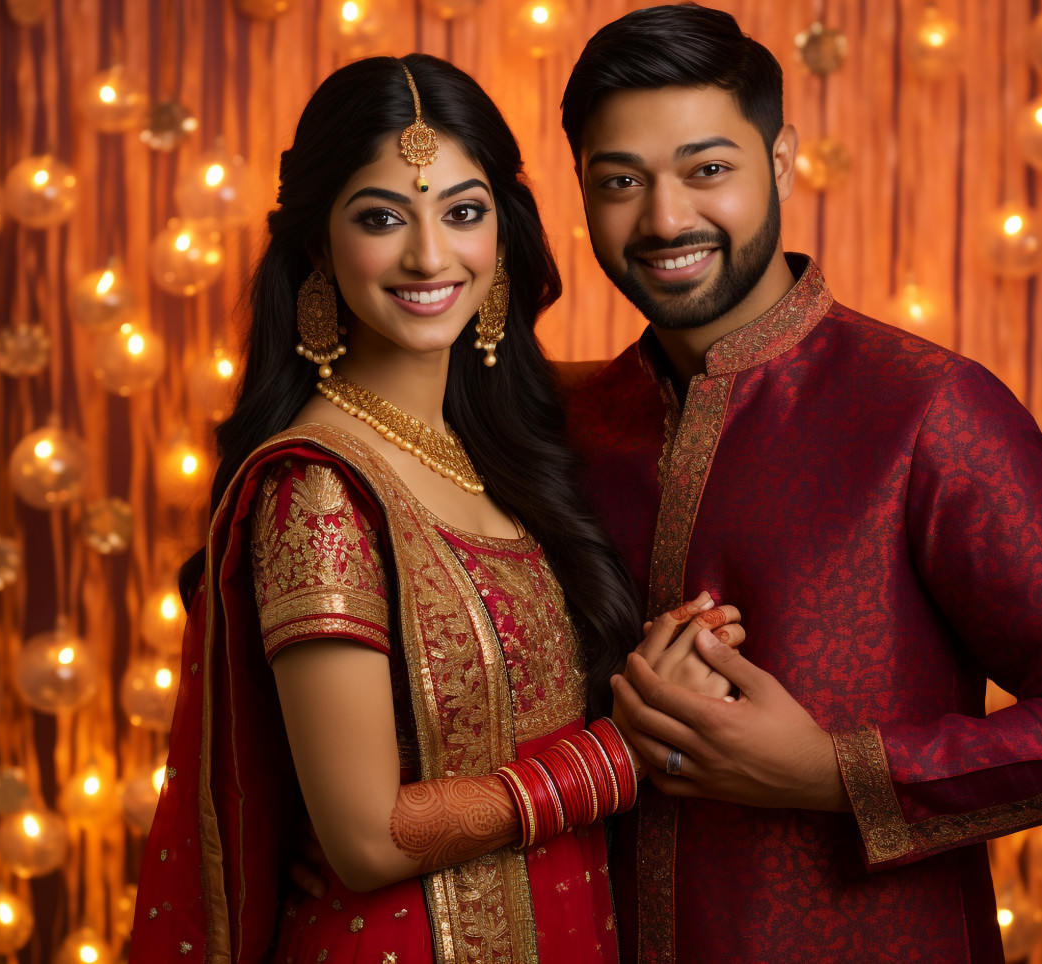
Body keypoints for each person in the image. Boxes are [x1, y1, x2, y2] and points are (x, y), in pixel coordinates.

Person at [556, 5, 1042, 963]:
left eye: (708, 169)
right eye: (621, 181)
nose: (666, 218)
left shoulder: (930, 409)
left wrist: (831, 771)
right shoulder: (573, 428)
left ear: (781, 161)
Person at [127, 53, 744, 964]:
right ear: (317, 249)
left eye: (463, 212)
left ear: (501, 233)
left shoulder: (507, 446)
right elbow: (369, 839)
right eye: (382, 218)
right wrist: (632, 751)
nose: (429, 255)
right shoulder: (319, 491)